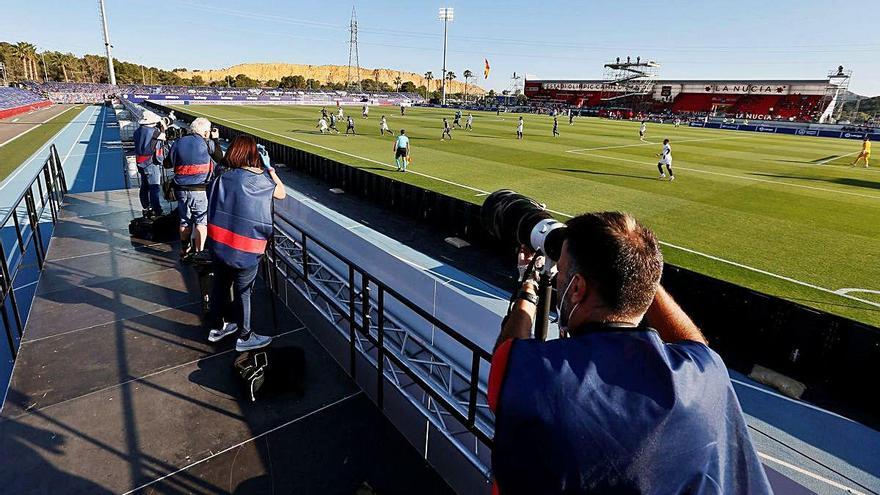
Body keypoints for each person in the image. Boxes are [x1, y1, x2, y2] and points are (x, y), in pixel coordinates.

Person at [489, 212, 772, 495]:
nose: (558, 278)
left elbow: (506, 352)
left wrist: (528, 289)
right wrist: (635, 273)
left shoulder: (539, 375)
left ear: (577, 288)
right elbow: (694, 342)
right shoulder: (704, 374)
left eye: (562, 272)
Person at [205, 135, 286, 352]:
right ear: (253, 155)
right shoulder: (258, 180)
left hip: (218, 242)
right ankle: (245, 335)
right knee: (244, 292)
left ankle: (219, 326)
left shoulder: (221, 175)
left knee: (220, 285)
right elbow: (281, 193)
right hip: (245, 248)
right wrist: (270, 169)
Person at [169, 117, 224, 257]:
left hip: (180, 188)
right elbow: (219, 157)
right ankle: (198, 253)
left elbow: (167, 163)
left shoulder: (178, 142)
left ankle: (184, 248)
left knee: (184, 220)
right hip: (199, 189)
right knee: (201, 221)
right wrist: (216, 139)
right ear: (206, 132)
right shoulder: (206, 143)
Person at [132, 111, 166, 218]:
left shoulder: (137, 131)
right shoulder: (153, 132)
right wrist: (163, 125)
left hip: (140, 161)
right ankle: (157, 210)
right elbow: (165, 137)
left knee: (144, 186)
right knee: (154, 187)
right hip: (150, 162)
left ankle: (146, 207)